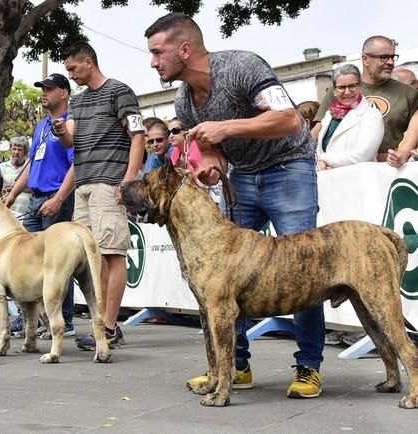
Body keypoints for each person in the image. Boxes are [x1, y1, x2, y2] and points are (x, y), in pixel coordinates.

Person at [145, 13, 324, 398]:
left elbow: (290, 119)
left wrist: (227, 126)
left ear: (185, 49)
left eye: (158, 52)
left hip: (289, 167)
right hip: (242, 174)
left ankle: (309, 367)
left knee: (305, 267)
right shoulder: (184, 101)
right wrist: (213, 168)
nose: (153, 61)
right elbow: (215, 156)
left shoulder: (242, 66)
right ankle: (236, 367)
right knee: (223, 275)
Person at [55, 41, 145, 350]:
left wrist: (129, 180)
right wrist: (59, 131)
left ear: (88, 62)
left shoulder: (119, 91)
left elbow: (138, 135)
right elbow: (70, 140)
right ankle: (99, 324)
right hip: (84, 185)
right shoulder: (77, 102)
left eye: (73, 68)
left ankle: (109, 326)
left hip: (110, 182)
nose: (71, 75)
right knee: (90, 259)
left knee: (112, 253)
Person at [5, 72, 77, 338]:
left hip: (56, 197)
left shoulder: (70, 123)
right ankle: (32, 320)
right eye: (43, 88)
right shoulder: (41, 126)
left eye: (49, 89)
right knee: (30, 261)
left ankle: (65, 320)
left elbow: (76, 164)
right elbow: (31, 163)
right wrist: (12, 194)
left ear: (64, 93)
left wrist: (58, 199)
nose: (43, 93)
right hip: (35, 198)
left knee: (57, 262)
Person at [312, 36, 418, 166]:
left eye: (393, 56)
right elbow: (317, 133)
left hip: (389, 172)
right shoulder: (338, 93)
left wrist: (402, 154)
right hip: (340, 170)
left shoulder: (408, 93)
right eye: (384, 57)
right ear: (365, 59)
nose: (390, 62)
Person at [316, 64, 384, 170]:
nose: (347, 92)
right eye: (342, 87)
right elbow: (319, 149)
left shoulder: (372, 116)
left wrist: (324, 159)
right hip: (329, 180)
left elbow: (363, 155)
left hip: (358, 180)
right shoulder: (329, 115)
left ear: (360, 86)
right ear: (334, 90)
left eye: (352, 86)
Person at [0, 136, 31, 217]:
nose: (16, 152)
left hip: (27, 215)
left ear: (25, 152)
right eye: (14, 149)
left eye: (19, 150)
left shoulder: (31, 168)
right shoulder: (1, 167)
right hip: (7, 214)